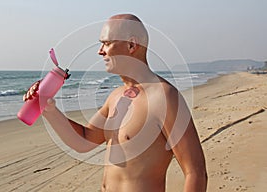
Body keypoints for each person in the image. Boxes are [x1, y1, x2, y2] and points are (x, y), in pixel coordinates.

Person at [24, 14, 207, 192]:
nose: (100, 51)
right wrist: (48, 109)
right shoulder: (116, 96)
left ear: (131, 45)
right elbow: (84, 141)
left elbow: (195, 172)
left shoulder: (164, 97)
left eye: (106, 43)